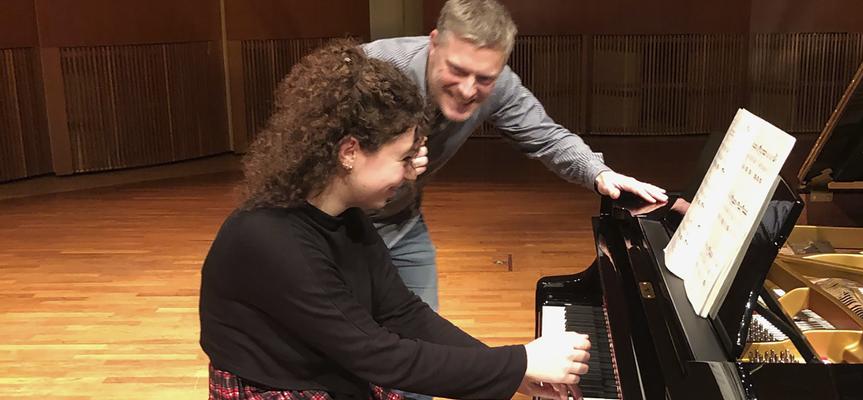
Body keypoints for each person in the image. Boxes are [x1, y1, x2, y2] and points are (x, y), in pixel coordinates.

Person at [199, 40, 591, 400]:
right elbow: (378, 355)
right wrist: (518, 361)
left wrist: (512, 374)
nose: (410, 173)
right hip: (281, 388)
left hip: (327, 371)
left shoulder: (346, 214)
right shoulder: (271, 239)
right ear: (350, 151)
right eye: (403, 158)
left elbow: (402, 313)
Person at [364, 0, 671, 315]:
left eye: (484, 78)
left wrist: (600, 173)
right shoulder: (372, 69)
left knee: (423, 334)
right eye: (457, 70)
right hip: (334, 225)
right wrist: (382, 164)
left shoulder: (499, 86)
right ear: (434, 43)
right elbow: (314, 148)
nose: (469, 90)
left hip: (402, 221)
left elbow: (548, 136)